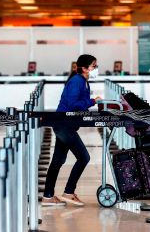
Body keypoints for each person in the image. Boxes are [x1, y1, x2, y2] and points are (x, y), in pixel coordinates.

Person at [42, 54, 101, 207]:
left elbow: (77, 104)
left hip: (65, 124)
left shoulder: (83, 82)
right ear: (84, 68)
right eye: (93, 66)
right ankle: (68, 192)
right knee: (84, 157)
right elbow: (74, 104)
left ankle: (48, 196)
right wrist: (93, 101)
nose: (96, 68)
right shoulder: (77, 81)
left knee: (58, 160)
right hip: (64, 125)